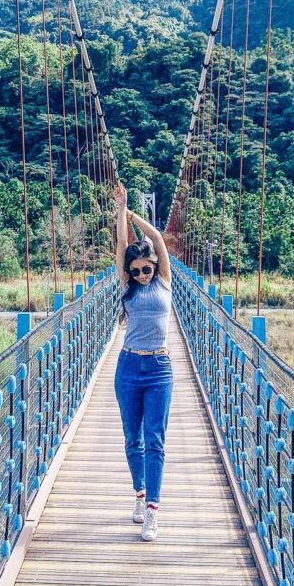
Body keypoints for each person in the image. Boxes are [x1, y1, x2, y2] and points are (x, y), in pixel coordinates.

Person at [114, 183, 173, 542]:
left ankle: (153, 510)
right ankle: (138, 495)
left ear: (154, 266)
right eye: (135, 271)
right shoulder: (128, 285)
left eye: (145, 269)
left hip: (160, 369)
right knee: (131, 439)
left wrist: (134, 214)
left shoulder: (164, 280)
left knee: (156, 441)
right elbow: (122, 247)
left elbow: (161, 242)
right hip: (128, 367)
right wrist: (120, 212)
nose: (141, 275)